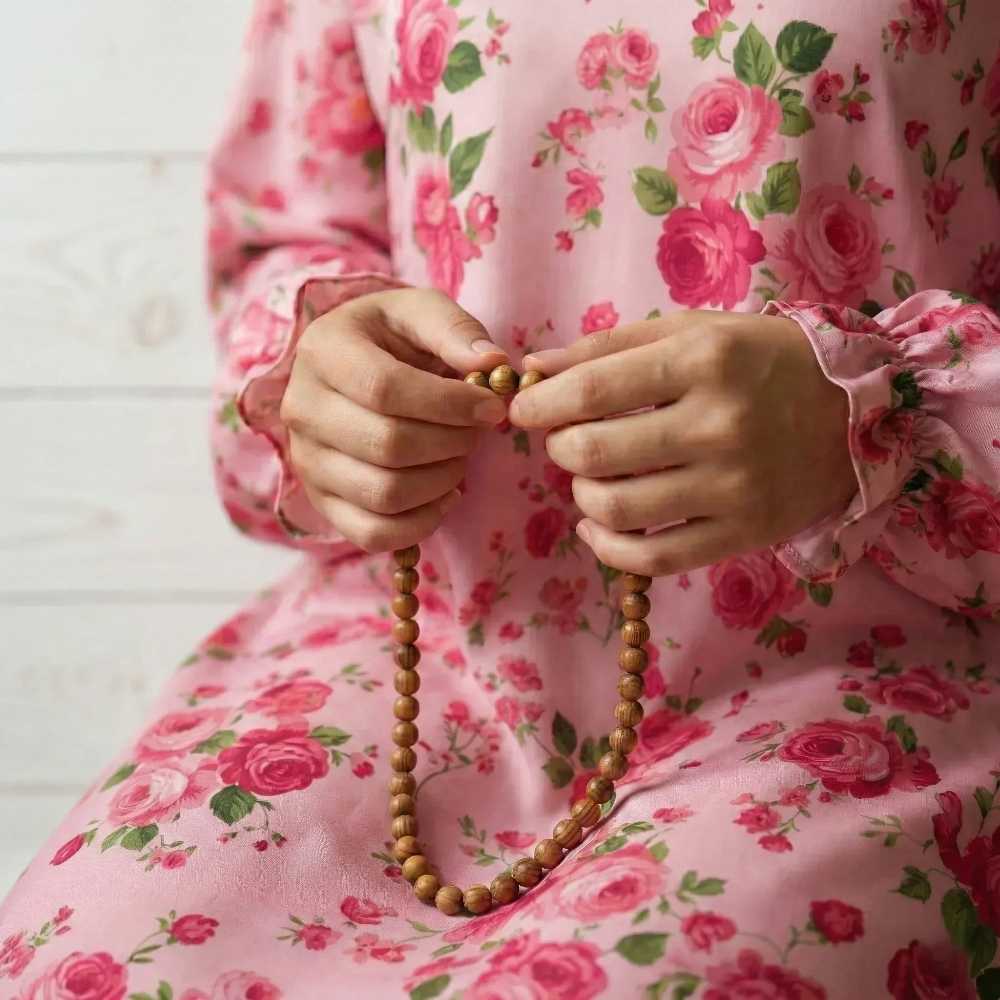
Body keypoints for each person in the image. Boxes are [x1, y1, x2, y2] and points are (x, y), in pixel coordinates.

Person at [2, 0, 1000, 996]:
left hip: (873, 667)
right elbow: (286, 230)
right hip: (416, 655)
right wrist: (323, 378)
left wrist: (882, 420)